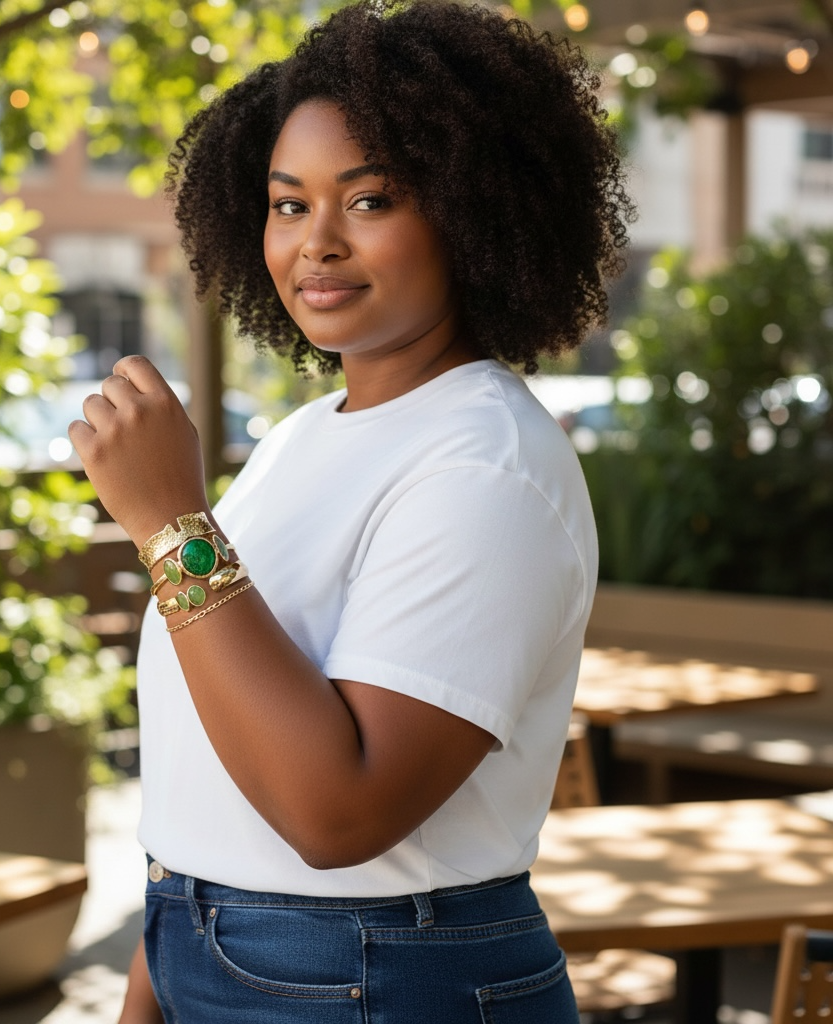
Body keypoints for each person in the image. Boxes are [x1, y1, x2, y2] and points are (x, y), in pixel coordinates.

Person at [68, 1, 633, 1020]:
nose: (316, 243)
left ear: (471, 208)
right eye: (288, 204)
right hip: (204, 941)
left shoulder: (486, 467)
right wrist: (155, 972)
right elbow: (211, 766)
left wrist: (168, 523)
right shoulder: (303, 437)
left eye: (369, 200)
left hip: (377, 976)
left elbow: (337, 812)